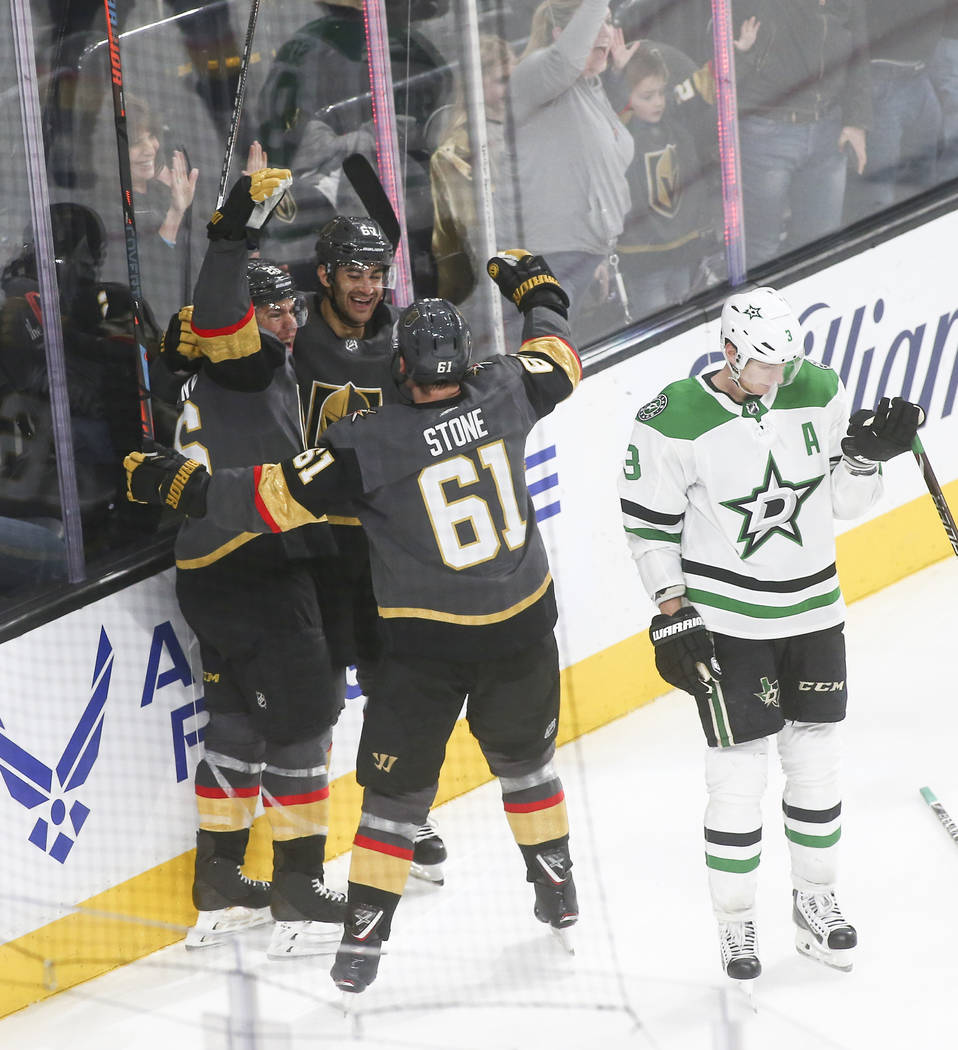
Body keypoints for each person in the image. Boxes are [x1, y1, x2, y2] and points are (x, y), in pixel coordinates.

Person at [124, 249, 582, 995]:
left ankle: (365, 937)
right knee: (529, 767)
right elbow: (557, 355)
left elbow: (267, 499)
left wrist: (181, 483)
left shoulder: (370, 441)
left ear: (401, 369)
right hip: (524, 630)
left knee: (396, 801)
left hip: (424, 649)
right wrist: (538, 290)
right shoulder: (505, 391)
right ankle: (557, 890)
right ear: (464, 363)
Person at [618, 285, 922, 979]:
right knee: (737, 773)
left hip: (815, 610)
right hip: (730, 621)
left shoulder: (815, 386)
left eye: (785, 363)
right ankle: (737, 925)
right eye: (762, 365)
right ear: (728, 352)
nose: (776, 378)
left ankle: (817, 904)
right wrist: (672, 608)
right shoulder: (671, 418)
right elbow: (647, 527)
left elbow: (847, 504)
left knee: (816, 761)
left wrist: (866, 456)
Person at [160, 167, 348, 958]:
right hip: (258, 569)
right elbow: (216, 309)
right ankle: (300, 884)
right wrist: (232, 228)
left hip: (209, 575)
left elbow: (211, 316)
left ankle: (221, 882)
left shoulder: (220, 369)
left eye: (290, 304)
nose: (286, 317)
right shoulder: (243, 362)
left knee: (235, 725)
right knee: (305, 722)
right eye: (271, 307)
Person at [295, 214, 448, 884]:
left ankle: (401, 814)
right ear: (325, 275)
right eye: (354, 273)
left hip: (387, 548)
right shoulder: (293, 334)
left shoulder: (401, 339)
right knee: (319, 698)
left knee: (396, 686)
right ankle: (309, 842)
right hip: (317, 548)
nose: (367, 286)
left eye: (377, 273)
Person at [510, 0, 634, 336]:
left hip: (587, 253)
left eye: (611, 22)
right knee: (548, 358)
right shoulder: (535, 75)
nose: (608, 33)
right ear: (563, 36)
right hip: (554, 258)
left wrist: (601, 254)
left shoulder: (590, 87)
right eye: (598, 24)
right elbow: (566, 60)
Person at [732, 0, 871, 269]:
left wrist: (857, 121)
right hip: (768, 130)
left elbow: (859, 55)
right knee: (761, 251)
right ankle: (762, 311)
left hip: (828, 129)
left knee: (821, 246)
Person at [429, 34, 520, 345]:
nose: (513, 88)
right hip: (496, 283)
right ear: (477, 84)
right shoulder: (460, 150)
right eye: (503, 80)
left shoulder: (520, 126)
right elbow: (474, 235)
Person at [616, 44, 716, 317]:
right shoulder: (619, 131)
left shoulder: (674, 117)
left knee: (684, 318)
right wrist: (616, 73)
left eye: (660, 93)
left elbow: (697, 87)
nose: (658, 102)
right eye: (647, 96)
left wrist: (735, 53)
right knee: (655, 325)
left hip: (682, 249)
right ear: (626, 98)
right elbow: (610, 107)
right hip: (643, 257)